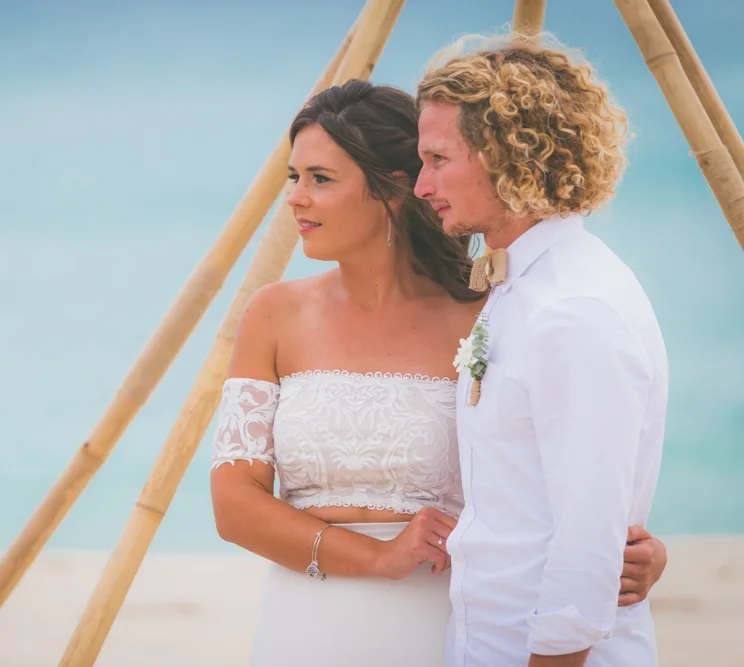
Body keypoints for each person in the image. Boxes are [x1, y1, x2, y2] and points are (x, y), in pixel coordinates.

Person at [209, 74, 667, 665]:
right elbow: (233, 504)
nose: (295, 197)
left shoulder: (492, 313)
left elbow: (556, 474)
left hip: (443, 618)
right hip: (304, 620)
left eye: (320, 178)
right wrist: (374, 557)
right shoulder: (273, 313)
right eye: (293, 177)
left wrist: (628, 554)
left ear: (395, 189)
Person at [412, 35, 668, 666]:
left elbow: (587, 542)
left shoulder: (573, 308)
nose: (421, 186)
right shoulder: (518, 290)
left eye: (438, 159)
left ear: (507, 156)